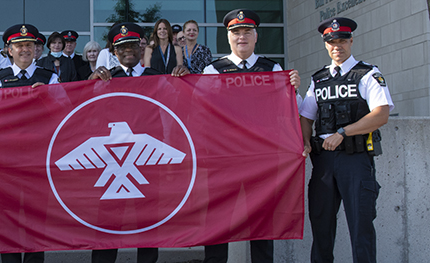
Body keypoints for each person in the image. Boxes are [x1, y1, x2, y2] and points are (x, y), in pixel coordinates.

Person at [200, 9, 301, 263]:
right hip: (224, 159)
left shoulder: (272, 68)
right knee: (217, 222)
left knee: (263, 221)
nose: (241, 37)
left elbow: (292, 109)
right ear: (228, 37)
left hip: (261, 159)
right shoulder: (213, 70)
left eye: (247, 32)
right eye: (236, 33)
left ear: (256, 37)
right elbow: (198, 112)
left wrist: (293, 88)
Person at [86, 22, 187, 263]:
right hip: (114, 159)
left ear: (141, 48)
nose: (128, 50)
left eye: (132, 45)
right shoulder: (106, 79)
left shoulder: (158, 79)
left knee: (149, 220)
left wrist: (186, 80)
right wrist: (91, 84)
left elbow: (182, 104)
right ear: (114, 52)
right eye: (122, 47)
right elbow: (87, 113)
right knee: (108, 221)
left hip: (147, 160)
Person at [300, 17, 393, 263]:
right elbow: (306, 116)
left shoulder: (367, 74)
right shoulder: (318, 79)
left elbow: (381, 114)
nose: (336, 46)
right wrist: (306, 140)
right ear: (325, 45)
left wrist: (343, 133)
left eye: (342, 41)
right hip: (323, 163)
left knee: (361, 229)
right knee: (321, 229)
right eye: (331, 42)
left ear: (351, 41)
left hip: (356, 160)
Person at [0, 24, 57, 262]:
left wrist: (48, 97)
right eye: (19, 45)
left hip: (39, 161)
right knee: (6, 220)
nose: (25, 49)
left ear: (36, 49)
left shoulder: (51, 78)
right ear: (9, 50)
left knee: (38, 219)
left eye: (29, 45)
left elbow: (65, 116)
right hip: (5, 163)